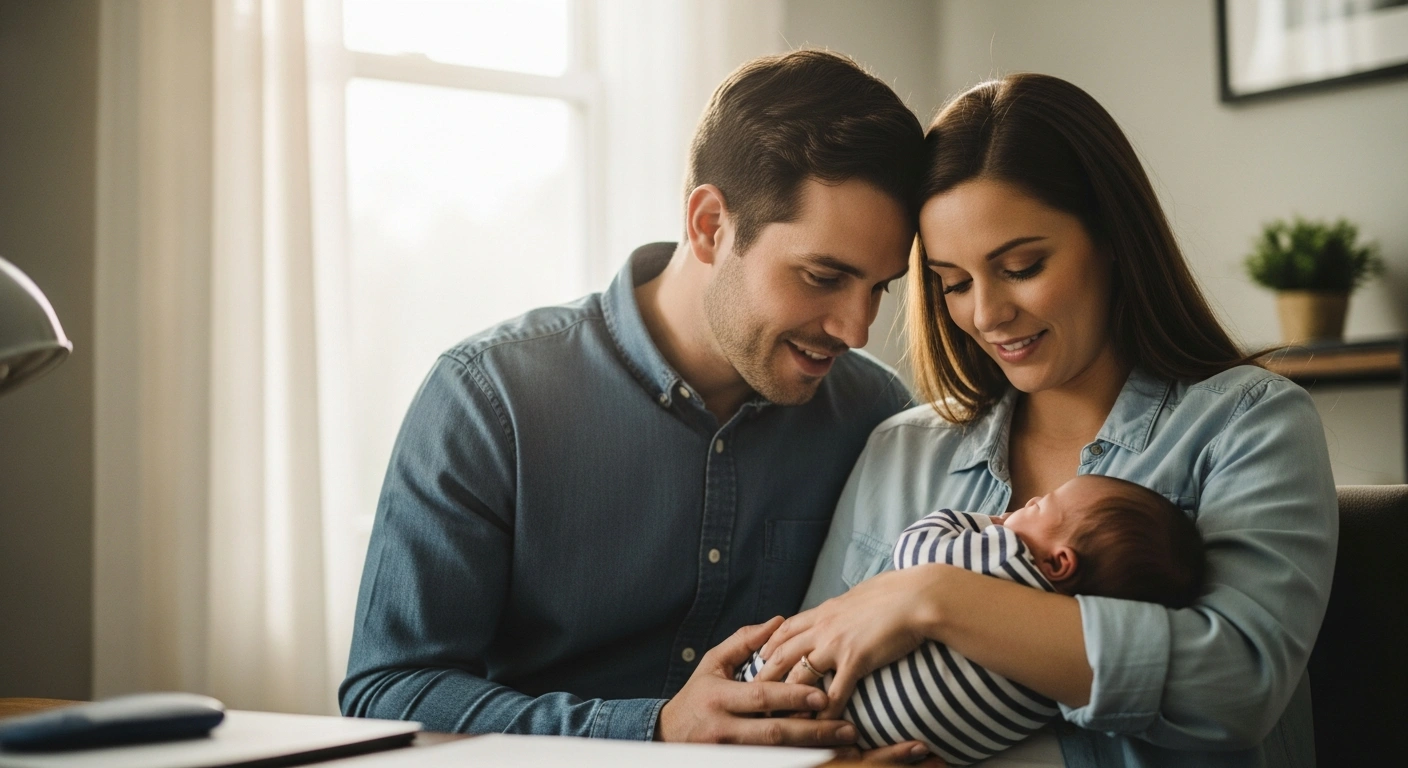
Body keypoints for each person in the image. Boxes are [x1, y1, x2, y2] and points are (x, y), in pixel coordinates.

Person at [339, 49, 936, 756]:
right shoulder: (487, 399)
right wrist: (651, 731)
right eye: (823, 275)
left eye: (879, 287)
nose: (855, 328)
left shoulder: (873, 415)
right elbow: (387, 692)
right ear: (711, 224)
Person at [752, 72, 1337, 768]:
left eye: (1022, 266)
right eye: (955, 283)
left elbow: (1238, 686)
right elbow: (806, 674)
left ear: (1112, 239)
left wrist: (934, 595)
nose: (987, 314)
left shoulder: (1247, 424)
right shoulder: (901, 451)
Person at [739, 474, 1205, 765]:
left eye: (1039, 508)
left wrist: (988, 523)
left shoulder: (1004, 564)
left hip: (789, 702)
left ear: (1059, 563)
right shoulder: (1054, 675)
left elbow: (916, 548)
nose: (1023, 506)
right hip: (861, 748)